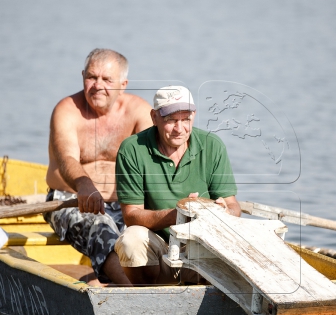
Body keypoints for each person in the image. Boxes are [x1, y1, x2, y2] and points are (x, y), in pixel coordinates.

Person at [45, 48, 153, 286]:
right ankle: (136, 293)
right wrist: (84, 184)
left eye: (107, 79)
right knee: (101, 227)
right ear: (82, 76)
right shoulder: (67, 110)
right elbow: (67, 159)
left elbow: (154, 163)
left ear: (123, 85)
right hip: (71, 199)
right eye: (91, 77)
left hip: (125, 202)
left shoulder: (139, 112)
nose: (97, 85)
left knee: (149, 233)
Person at [114, 85, 241, 285]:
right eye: (171, 120)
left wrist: (220, 213)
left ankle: (207, 293)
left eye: (186, 120)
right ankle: (146, 294)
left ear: (194, 116)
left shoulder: (213, 145)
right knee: (131, 240)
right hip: (158, 251)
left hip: (202, 248)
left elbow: (233, 207)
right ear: (154, 117)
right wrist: (180, 215)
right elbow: (131, 215)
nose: (179, 129)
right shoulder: (132, 149)